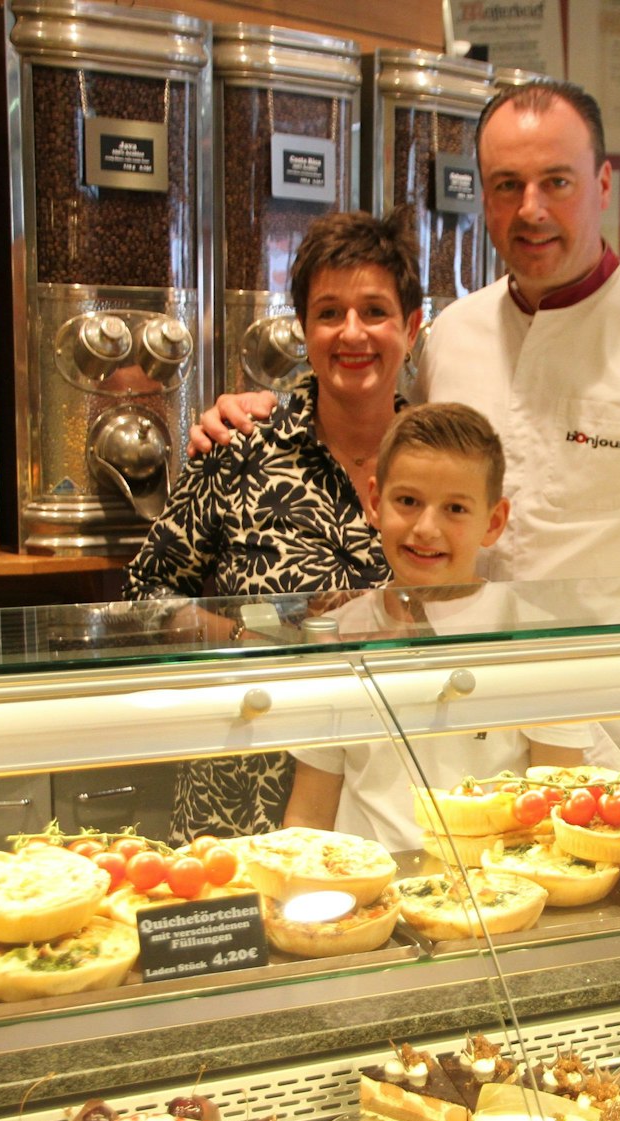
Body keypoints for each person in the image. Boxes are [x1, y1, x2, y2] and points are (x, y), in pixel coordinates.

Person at [190, 80, 620, 774]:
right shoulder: (454, 334)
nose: (531, 209)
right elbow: (379, 437)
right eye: (506, 185)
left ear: (604, 183)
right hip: (468, 733)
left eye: (557, 181)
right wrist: (256, 412)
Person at [123, 208, 424, 840]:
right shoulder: (239, 448)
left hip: (383, 808)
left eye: (374, 311)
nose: (352, 333)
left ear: (412, 327)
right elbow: (145, 596)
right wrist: (242, 642)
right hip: (237, 799)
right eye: (328, 312)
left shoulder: (436, 470)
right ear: (304, 329)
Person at [283, 403, 620, 851]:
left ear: (494, 522)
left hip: (496, 883)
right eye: (408, 501)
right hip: (362, 882)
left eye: (455, 508)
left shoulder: (535, 640)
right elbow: (310, 813)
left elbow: (557, 813)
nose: (426, 527)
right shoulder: (336, 637)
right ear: (374, 502)